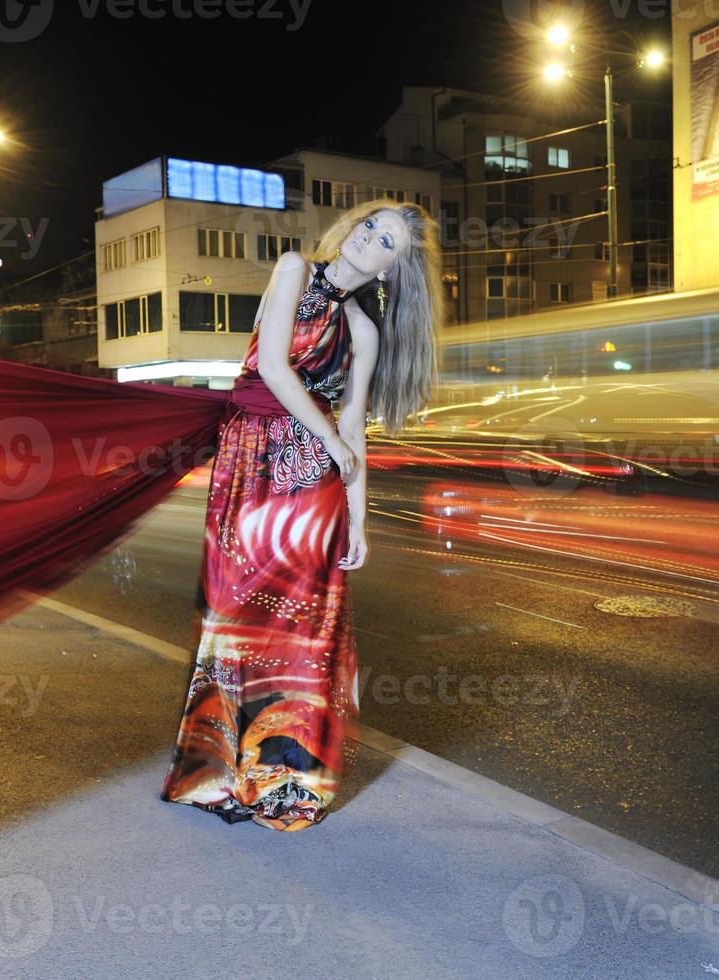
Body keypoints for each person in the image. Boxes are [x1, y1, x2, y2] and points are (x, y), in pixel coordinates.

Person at [160, 200, 444, 831]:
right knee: (230, 612)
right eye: (370, 226)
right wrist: (334, 443)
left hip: (312, 483)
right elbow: (270, 367)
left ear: (393, 271)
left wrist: (359, 519)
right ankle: (217, 770)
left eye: (387, 242)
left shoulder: (364, 333)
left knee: (302, 632)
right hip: (247, 458)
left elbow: (354, 430)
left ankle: (285, 781)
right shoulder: (292, 268)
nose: (368, 239)